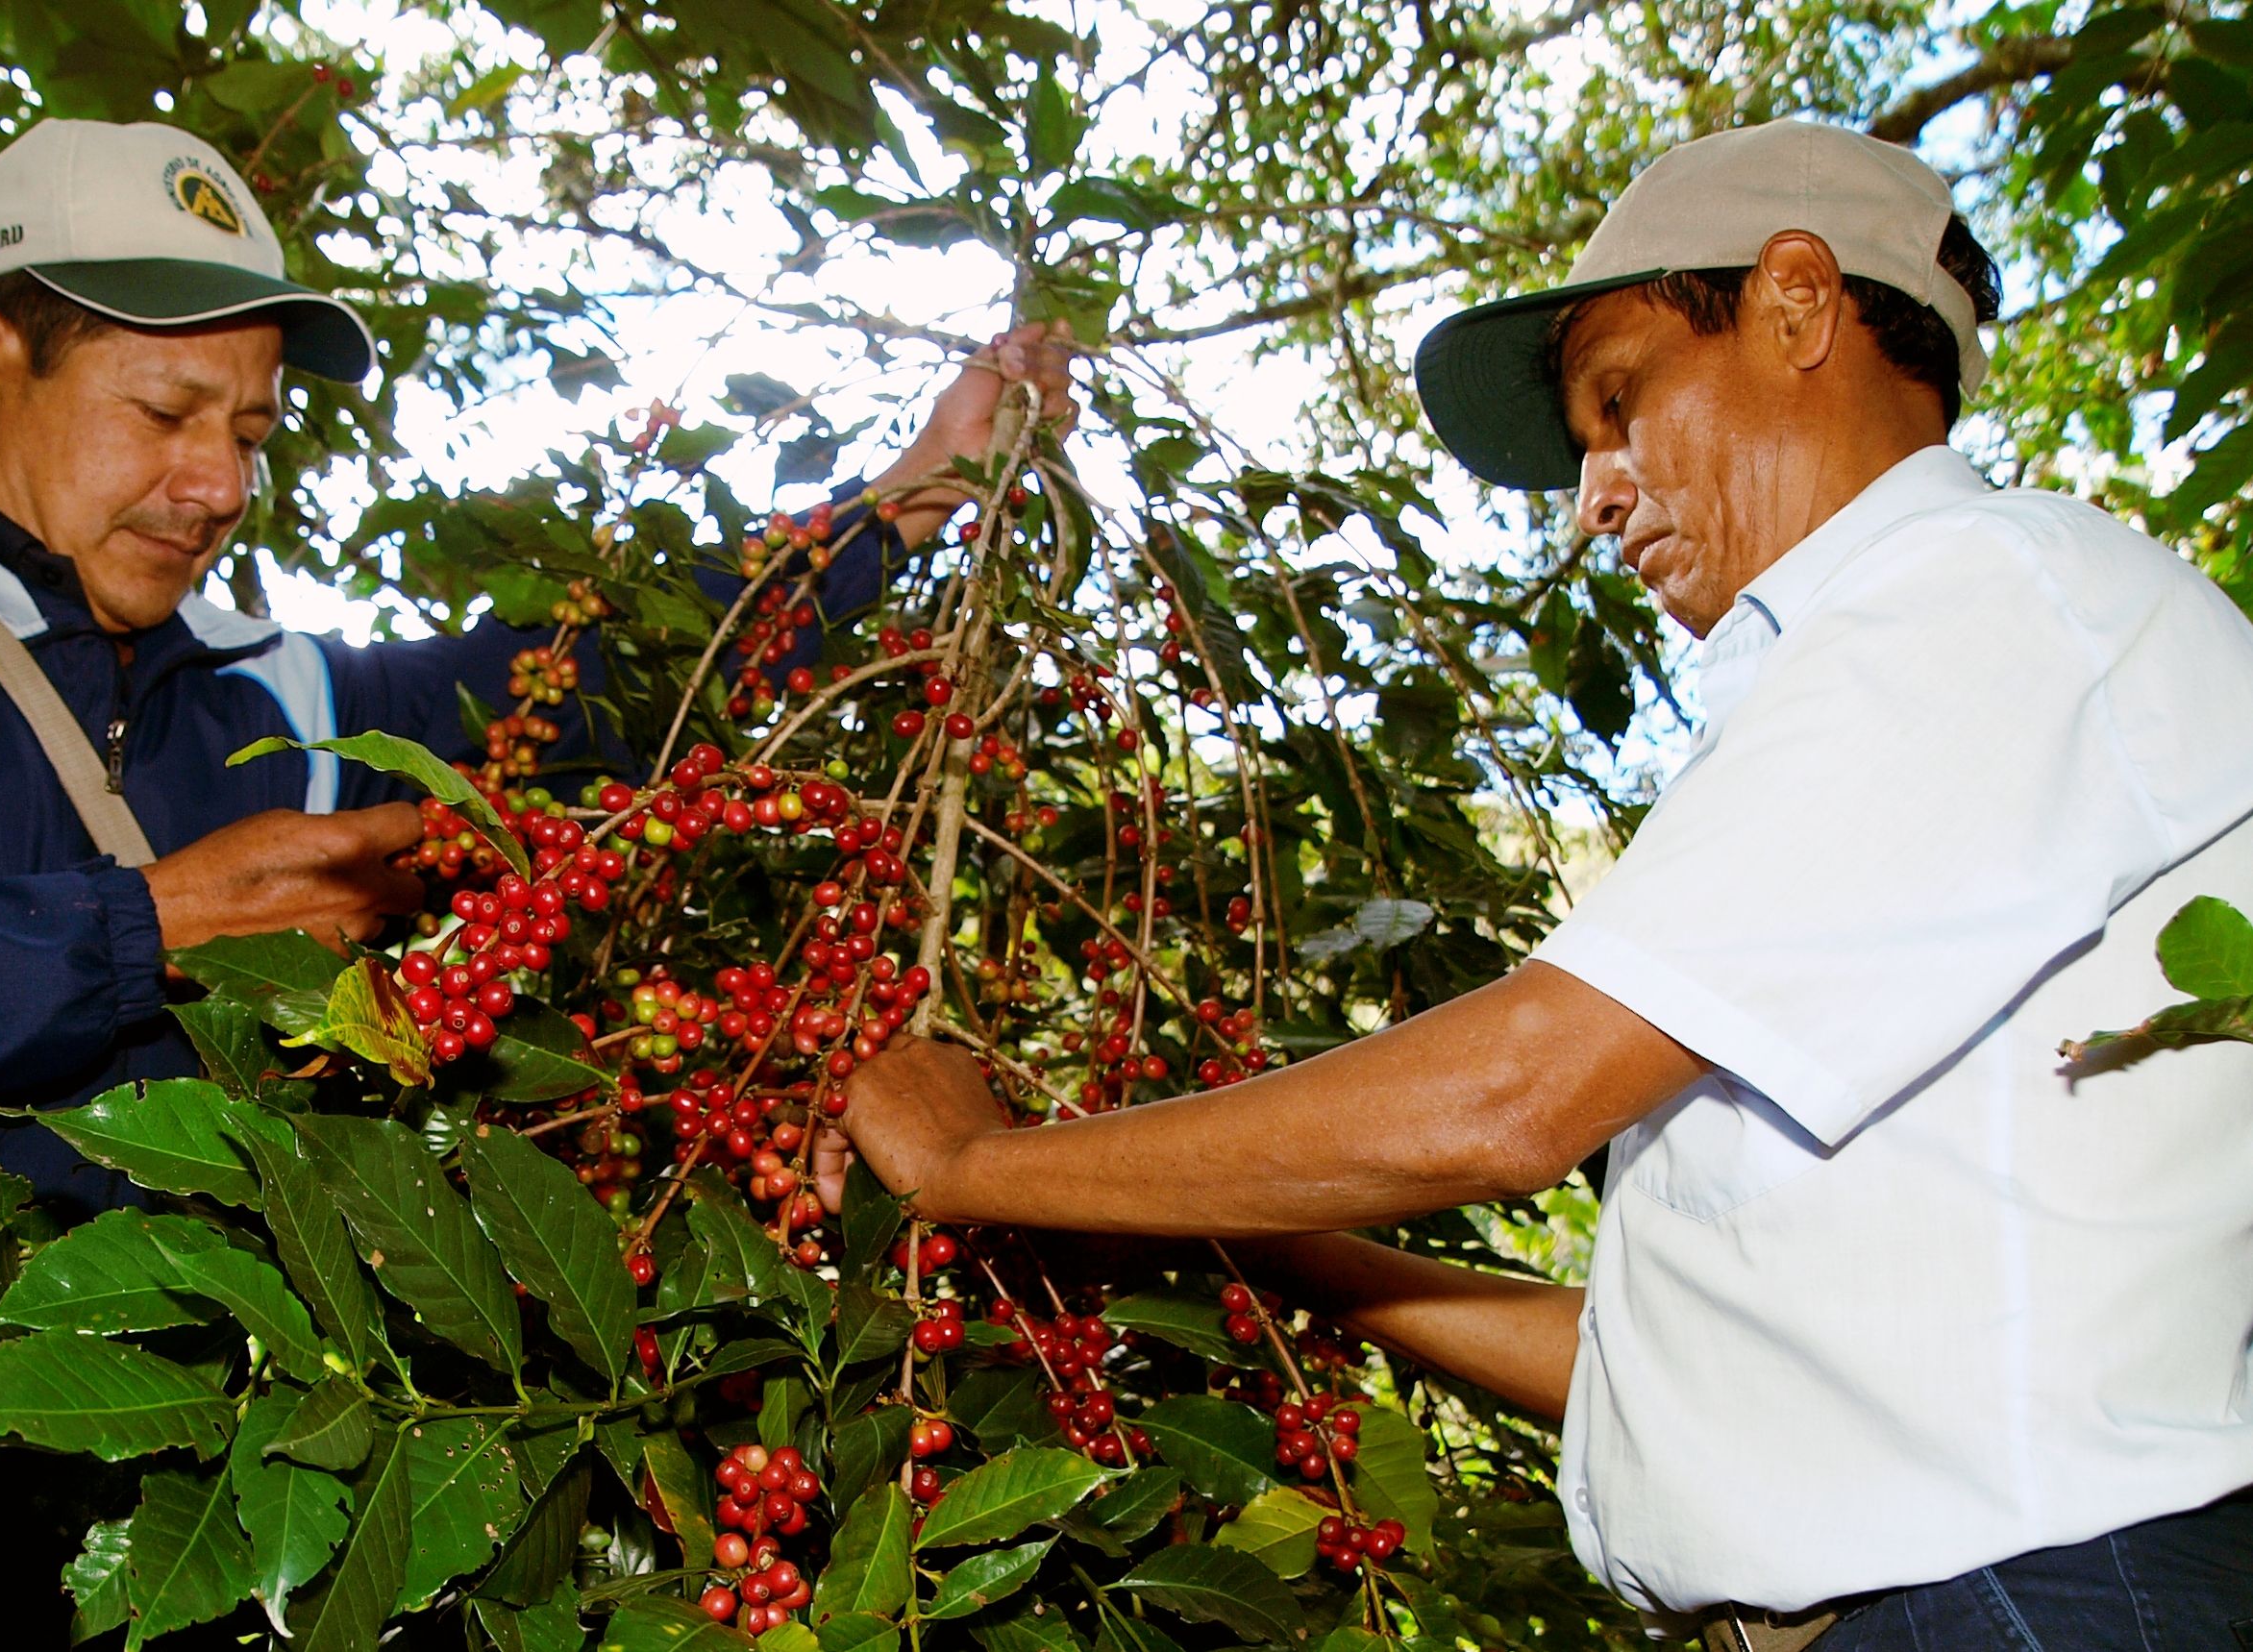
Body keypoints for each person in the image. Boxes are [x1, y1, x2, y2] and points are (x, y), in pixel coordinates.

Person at [821, 119, 2253, 1649]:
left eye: (1619, 402)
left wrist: (980, 1167)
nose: (1595, 495)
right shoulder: (1893, 728)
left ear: (1793, 303)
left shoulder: (1991, 592)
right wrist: (1262, 1232)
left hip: (2030, 1605)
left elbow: (1513, 1095)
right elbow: (1663, 1370)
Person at [0, 116, 1072, 1209]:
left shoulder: (269, 697)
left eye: (247, 434)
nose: (218, 487)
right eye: (166, 411)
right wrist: (151, 922)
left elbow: (584, 688)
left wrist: (907, 501)